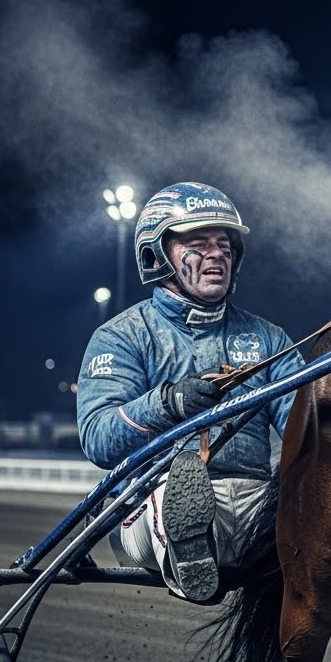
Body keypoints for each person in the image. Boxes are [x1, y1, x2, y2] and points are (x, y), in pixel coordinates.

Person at [76, 181, 304, 603]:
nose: (217, 253)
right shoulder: (121, 336)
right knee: (177, 486)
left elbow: (306, 426)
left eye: (225, 244)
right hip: (148, 505)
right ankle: (189, 552)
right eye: (198, 243)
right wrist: (168, 402)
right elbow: (98, 437)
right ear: (156, 256)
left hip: (258, 509)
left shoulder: (269, 338)